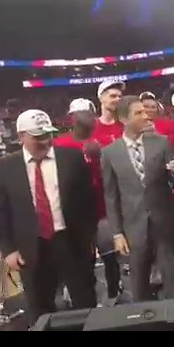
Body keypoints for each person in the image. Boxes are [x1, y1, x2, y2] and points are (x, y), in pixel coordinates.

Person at [0, 109, 98, 322]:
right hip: (31, 246)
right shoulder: (3, 168)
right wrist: (9, 250)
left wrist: (89, 236)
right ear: (21, 136)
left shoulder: (72, 158)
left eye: (48, 134)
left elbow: (87, 201)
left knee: (85, 299)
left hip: (71, 240)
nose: (45, 141)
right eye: (38, 137)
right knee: (40, 306)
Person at [101, 96, 174, 303]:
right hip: (133, 226)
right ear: (123, 119)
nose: (146, 115)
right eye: (139, 113)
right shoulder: (110, 153)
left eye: (145, 111)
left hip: (164, 220)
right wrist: (117, 233)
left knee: (172, 276)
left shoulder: (162, 142)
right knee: (138, 282)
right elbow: (111, 196)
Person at [53, 98, 123, 306]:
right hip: (74, 214)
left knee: (110, 255)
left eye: (88, 114)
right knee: (82, 258)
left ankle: (113, 292)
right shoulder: (59, 143)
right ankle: (80, 292)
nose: (85, 119)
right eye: (80, 114)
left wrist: (99, 156)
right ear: (72, 118)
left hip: (101, 208)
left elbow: (112, 173)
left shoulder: (103, 139)